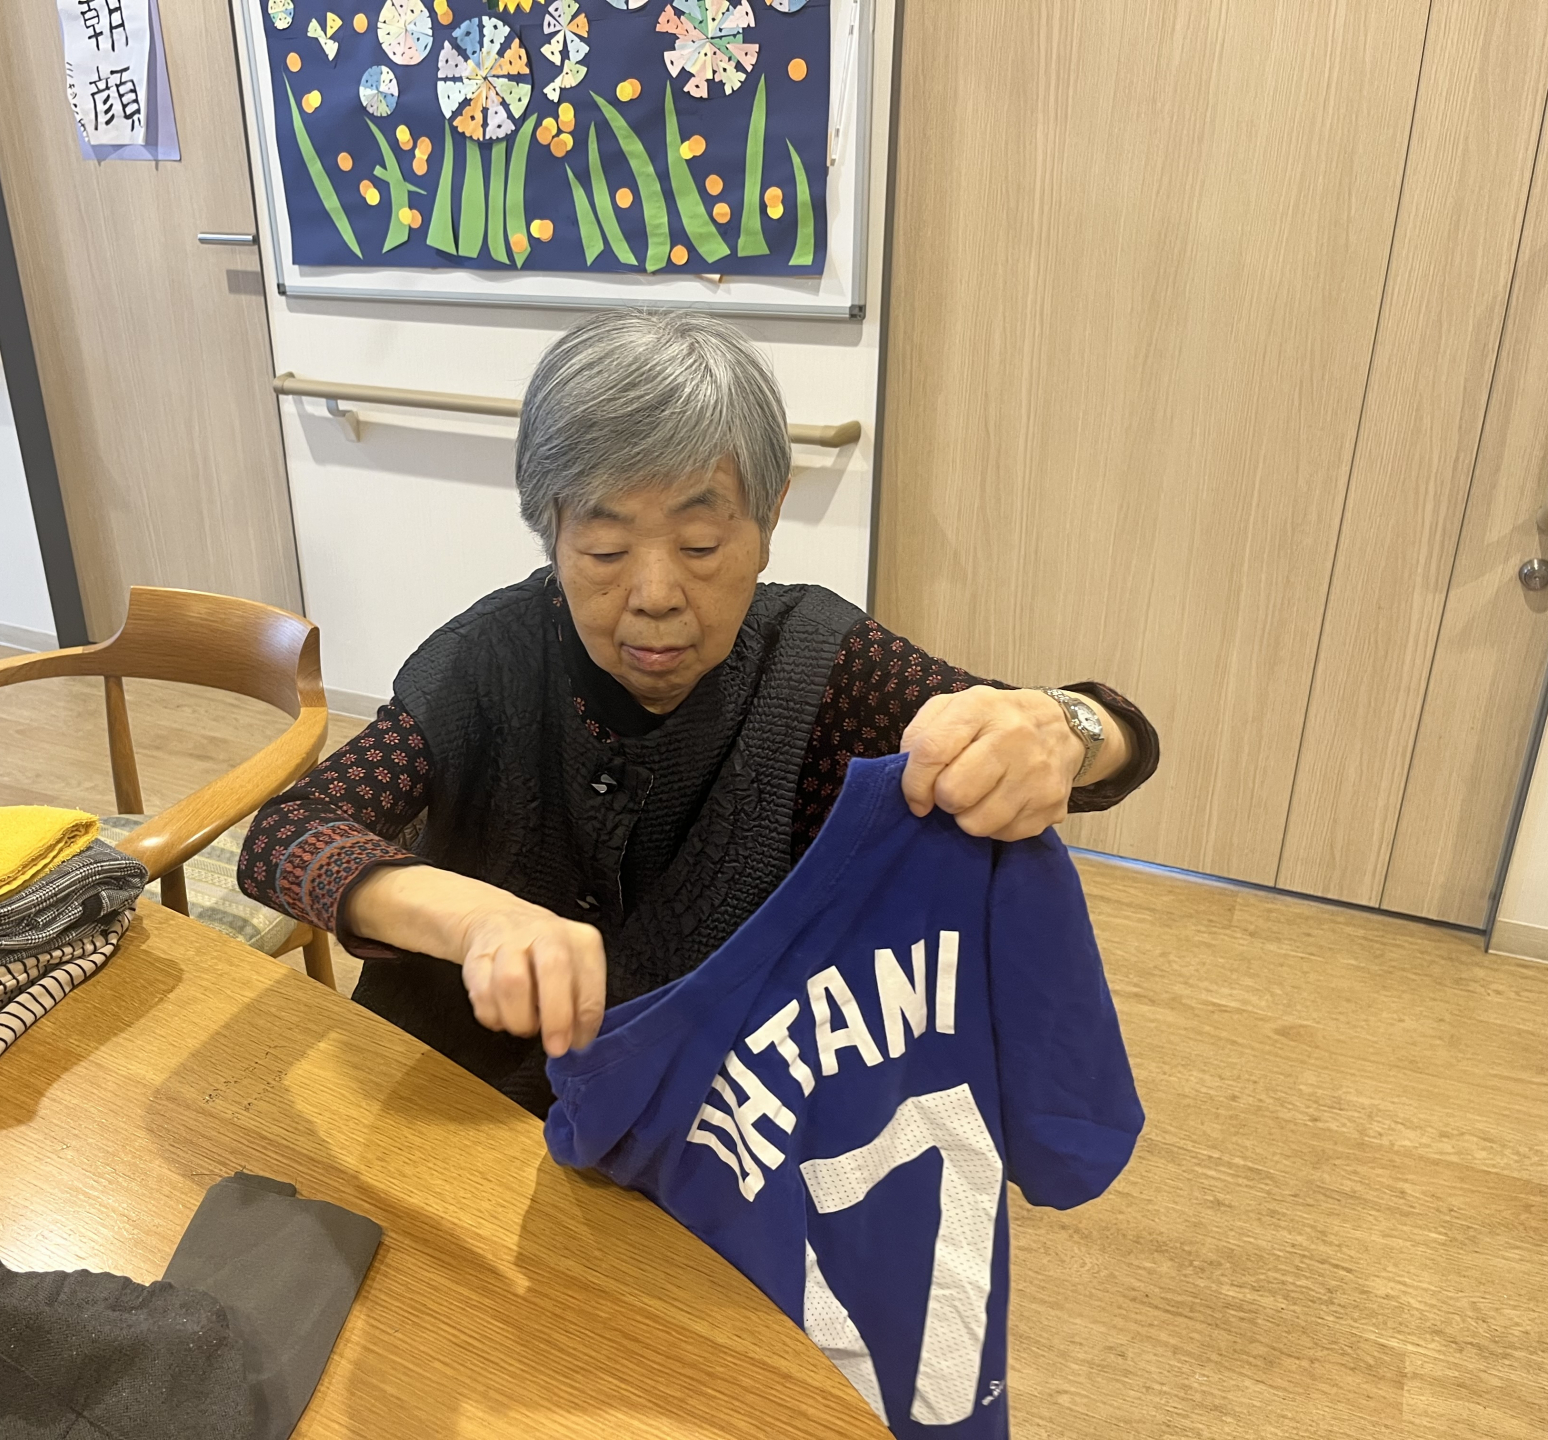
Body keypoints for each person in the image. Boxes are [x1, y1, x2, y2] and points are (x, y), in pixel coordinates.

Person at [239, 311, 1159, 1115]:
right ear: (549, 527)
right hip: (448, 1096)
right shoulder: (491, 659)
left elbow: (1115, 741)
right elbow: (285, 835)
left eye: (701, 544)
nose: (655, 595)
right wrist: (473, 919)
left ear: (770, 519)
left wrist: (1068, 729)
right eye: (604, 550)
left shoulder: (823, 668)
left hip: (703, 1136)